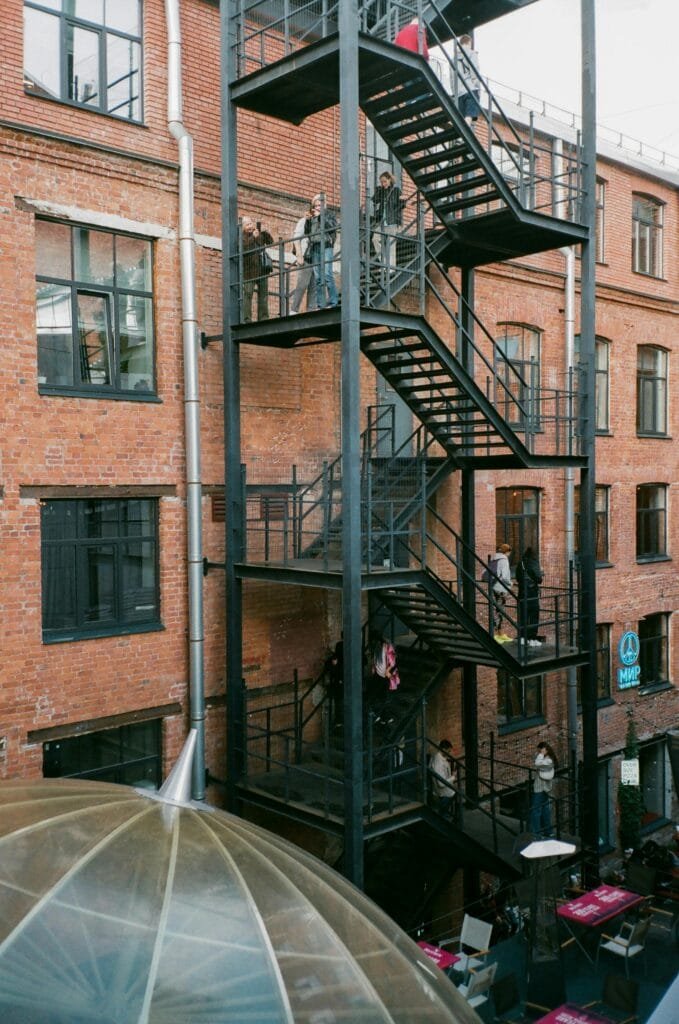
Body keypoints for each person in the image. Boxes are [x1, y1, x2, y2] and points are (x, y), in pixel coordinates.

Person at [304, 193, 338, 309]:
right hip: (315, 247)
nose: (318, 207)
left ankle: (333, 302)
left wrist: (320, 216)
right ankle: (320, 304)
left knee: (327, 274)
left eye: (320, 205)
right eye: (316, 205)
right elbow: (307, 233)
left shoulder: (329, 214)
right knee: (318, 278)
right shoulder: (312, 216)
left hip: (326, 246)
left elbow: (332, 227)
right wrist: (308, 221)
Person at [241, 216, 273, 322]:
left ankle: (263, 318)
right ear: (243, 227)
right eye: (247, 225)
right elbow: (244, 247)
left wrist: (266, 233)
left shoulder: (257, 233)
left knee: (263, 294)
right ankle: (247, 319)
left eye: (251, 224)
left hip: (262, 269)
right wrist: (253, 238)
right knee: (248, 294)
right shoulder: (242, 237)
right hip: (249, 271)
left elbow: (270, 242)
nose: (250, 226)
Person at [371, 171, 403, 273]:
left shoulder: (396, 190)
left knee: (390, 244)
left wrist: (403, 200)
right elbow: (374, 200)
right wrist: (379, 190)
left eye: (385, 181)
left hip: (392, 221)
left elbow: (402, 204)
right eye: (381, 182)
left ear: (390, 180)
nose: (383, 183)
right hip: (382, 221)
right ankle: (384, 263)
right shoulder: (382, 191)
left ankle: (391, 268)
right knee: (375, 239)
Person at [289, 205, 315, 314]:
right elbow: (296, 238)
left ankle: (311, 309)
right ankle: (294, 309)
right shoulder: (304, 221)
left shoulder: (319, 223)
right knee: (302, 284)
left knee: (314, 286)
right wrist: (299, 255)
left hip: (316, 257)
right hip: (306, 257)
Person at [516, 546, 543, 647]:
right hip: (532, 593)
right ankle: (532, 638)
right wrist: (541, 572)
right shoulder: (533, 562)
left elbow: (518, 579)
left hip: (522, 593)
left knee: (523, 615)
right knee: (533, 616)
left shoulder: (521, 563)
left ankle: (522, 638)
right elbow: (539, 579)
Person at [371, 636, 400, 724]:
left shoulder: (388, 648)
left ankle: (385, 716)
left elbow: (393, 662)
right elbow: (375, 660)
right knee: (380, 696)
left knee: (384, 697)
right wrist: (373, 668)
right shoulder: (377, 648)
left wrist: (387, 671)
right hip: (379, 674)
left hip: (386, 676)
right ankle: (382, 716)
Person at [530, 741, 556, 836]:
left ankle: (536, 833)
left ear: (545, 750)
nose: (539, 752)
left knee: (536, 810)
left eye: (540, 750)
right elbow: (535, 760)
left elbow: (537, 764)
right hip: (544, 788)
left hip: (541, 788)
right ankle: (548, 831)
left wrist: (541, 754)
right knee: (545, 809)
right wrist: (540, 754)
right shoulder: (546, 759)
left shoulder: (548, 761)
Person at [490, 542, 513, 643]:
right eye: (509, 552)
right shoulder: (504, 560)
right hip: (501, 588)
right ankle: (497, 634)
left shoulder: (494, 558)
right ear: (506, 551)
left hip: (494, 586)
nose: (509, 554)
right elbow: (504, 576)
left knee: (498, 610)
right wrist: (510, 583)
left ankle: (499, 633)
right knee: (500, 611)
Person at [456, 34, 481, 122]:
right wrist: (477, 86)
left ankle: (460, 134)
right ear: (469, 42)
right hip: (470, 88)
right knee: (469, 114)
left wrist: (455, 91)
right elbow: (474, 72)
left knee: (461, 118)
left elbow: (452, 78)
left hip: (459, 92)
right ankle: (465, 132)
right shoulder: (472, 53)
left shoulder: (453, 59)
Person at [430, 739, 457, 817]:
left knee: (455, 791)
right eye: (448, 751)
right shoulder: (438, 762)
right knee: (455, 792)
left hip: (440, 788)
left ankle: (444, 813)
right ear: (443, 749)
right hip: (441, 791)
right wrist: (453, 777)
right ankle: (442, 814)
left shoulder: (436, 756)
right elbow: (441, 783)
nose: (449, 753)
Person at [325, 635, 343, 729]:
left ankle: (339, 721)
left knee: (339, 702)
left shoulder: (338, 658)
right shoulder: (337, 659)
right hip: (339, 684)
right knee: (339, 702)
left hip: (339, 684)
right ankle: (339, 721)